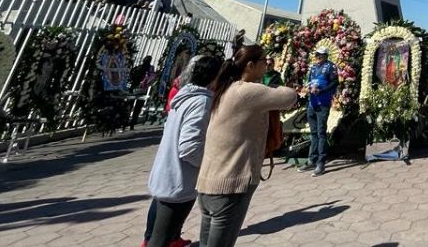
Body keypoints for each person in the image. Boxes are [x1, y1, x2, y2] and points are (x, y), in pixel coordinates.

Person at [196, 45, 297, 247]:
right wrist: (274, 86)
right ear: (250, 65)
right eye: (264, 62)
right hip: (231, 183)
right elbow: (290, 96)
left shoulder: (226, 88)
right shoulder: (247, 91)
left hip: (209, 182)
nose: (267, 66)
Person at [145, 55, 221, 247]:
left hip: (168, 173)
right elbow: (189, 147)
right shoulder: (201, 102)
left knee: (161, 234)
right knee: (161, 238)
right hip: (179, 178)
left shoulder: (185, 95)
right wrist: (207, 165)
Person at [298, 47, 338, 176]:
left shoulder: (331, 66)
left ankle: (321, 163)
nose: (318, 56)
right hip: (312, 103)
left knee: (321, 133)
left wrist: (321, 90)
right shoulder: (314, 67)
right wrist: (307, 88)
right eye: (316, 54)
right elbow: (309, 81)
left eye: (320, 54)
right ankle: (311, 159)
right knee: (313, 133)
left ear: (326, 55)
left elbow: (334, 82)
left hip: (323, 103)